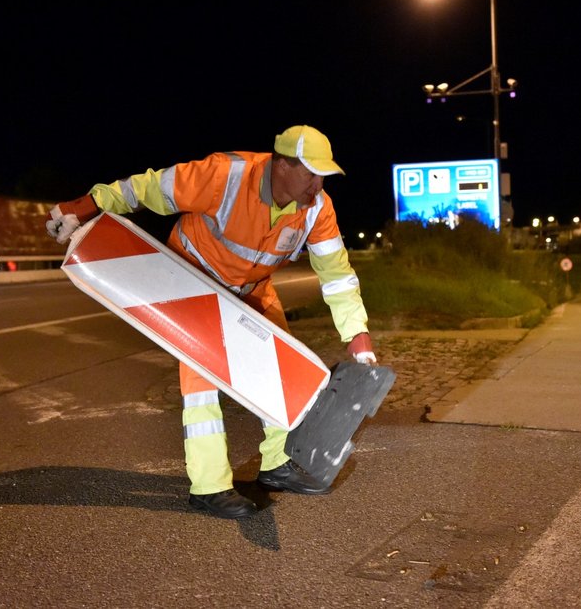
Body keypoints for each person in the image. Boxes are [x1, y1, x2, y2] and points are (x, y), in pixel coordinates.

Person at [46, 125, 377, 519]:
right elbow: (147, 188)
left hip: (253, 288)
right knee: (203, 384)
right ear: (282, 165)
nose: (317, 183)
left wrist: (356, 332)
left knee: (282, 370)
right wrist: (87, 203)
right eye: (310, 172)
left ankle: (277, 464)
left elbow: (335, 273)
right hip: (194, 283)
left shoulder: (318, 208)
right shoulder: (225, 176)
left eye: (323, 174)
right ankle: (209, 487)